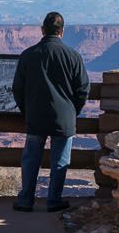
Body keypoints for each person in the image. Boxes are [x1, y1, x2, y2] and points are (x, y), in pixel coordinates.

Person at [10, 11, 90, 212]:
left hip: (35, 115)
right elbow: (83, 88)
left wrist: (26, 110)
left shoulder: (28, 55)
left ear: (42, 30)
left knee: (31, 159)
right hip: (63, 117)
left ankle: (25, 200)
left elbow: (17, 88)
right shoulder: (73, 56)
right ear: (62, 32)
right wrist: (73, 111)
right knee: (60, 161)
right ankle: (53, 201)